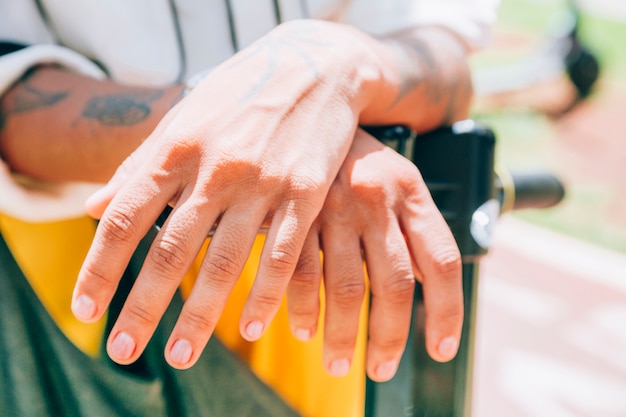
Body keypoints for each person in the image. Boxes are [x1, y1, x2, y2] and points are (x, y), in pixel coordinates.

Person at [0, 1, 498, 416]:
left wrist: (341, 61)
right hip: (58, 262)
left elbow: (447, 62)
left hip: (320, 262)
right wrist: (281, 124)